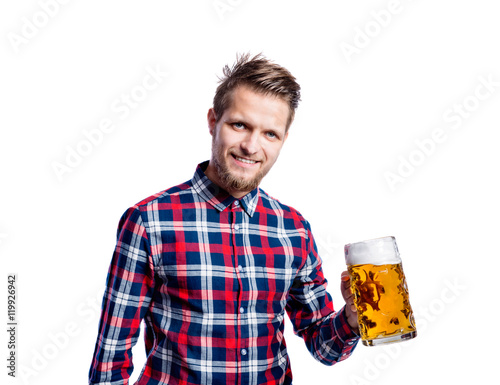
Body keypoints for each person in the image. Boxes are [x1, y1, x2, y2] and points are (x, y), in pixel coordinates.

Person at [89, 53, 360, 385]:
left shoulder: (294, 229)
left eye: (269, 134)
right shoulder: (149, 221)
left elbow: (325, 347)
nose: (250, 146)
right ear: (212, 121)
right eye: (239, 125)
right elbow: (110, 360)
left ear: (283, 141)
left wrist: (352, 316)